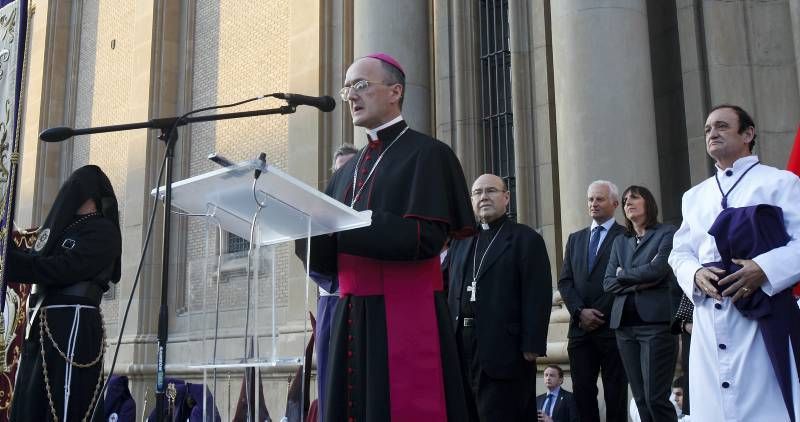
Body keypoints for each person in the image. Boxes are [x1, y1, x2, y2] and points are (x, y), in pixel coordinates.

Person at [299, 52, 475, 421]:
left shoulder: (429, 155)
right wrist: (304, 231)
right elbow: (324, 258)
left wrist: (350, 226)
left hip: (404, 313)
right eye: (347, 87)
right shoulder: (347, 172)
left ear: (395, 91)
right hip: (348, 316)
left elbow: (426, 237)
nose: (350, 95)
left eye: (361, 84)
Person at [668, 104, 800, 421]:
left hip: (762, 314)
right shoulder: (694, 196)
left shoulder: (781, 183)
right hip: (708, 323)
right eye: (708, 129)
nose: (713, 133)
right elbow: (679, 252)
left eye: (722, 126)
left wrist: (763, 269)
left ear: (748, 134)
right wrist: (696, 273)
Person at [6, 165, 122, 422]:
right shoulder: (62, 231)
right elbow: (34, 259)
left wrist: (11, 261)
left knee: (63, 405)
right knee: (28, 402)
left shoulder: (104, 231)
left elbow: (61, 268)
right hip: (40, 329)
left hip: (72, 329)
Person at [446, 173, 552, 421]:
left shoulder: (525, 239)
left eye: (490, 191)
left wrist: (532, 345)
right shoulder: (461, 242)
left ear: (507, 197)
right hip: (461, 346)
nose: (483, 197)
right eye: (477, 192)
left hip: (505, 349)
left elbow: (538, 294)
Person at [603, 185, 679, 422]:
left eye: (634, 198)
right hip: (624, 326)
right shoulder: (620, 242)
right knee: (640, 399)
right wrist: (640, 279)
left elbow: (659, 269)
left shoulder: (666, 233)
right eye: (625, 200)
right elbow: (608, 283)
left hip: (655, 325)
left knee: (655, 397)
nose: (628, 203)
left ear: (648, 203)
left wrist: (623, 274)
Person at [557, 180, 628, 422]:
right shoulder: (575, 239)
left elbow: (624, 280)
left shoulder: (625, 236)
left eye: (599, 199)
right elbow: (565, 282)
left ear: (615, 204)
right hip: (580, 330)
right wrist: (579, 312)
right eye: (590, 199)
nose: (593, 204)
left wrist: (598, 314)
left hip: (612, 328)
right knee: (583, 394)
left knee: (615, 394)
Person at [313, 143, 357, 422]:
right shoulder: (322, 212)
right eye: (340, 171)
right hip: (333, 303)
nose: (345, 177)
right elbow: (313, 258)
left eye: (351, 169)